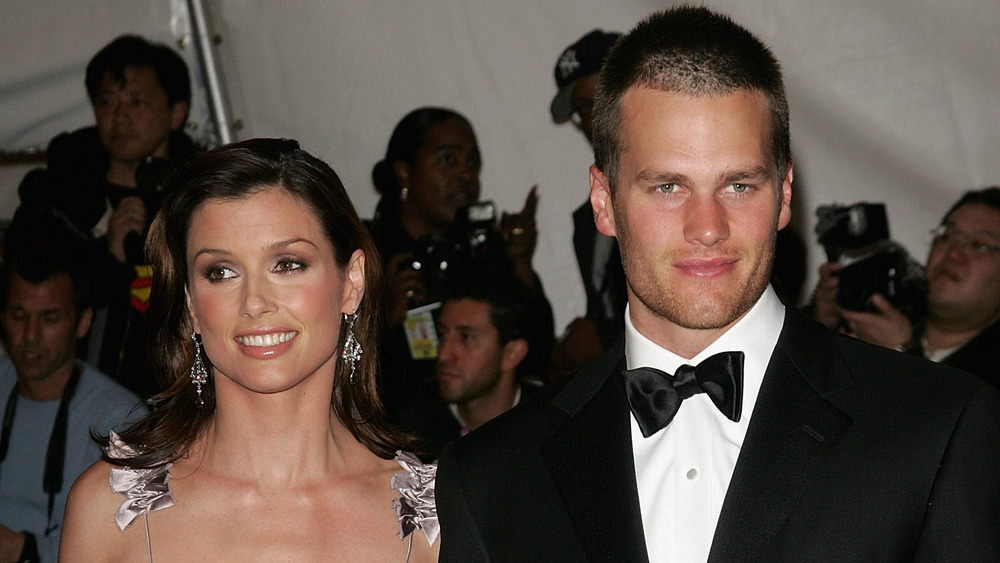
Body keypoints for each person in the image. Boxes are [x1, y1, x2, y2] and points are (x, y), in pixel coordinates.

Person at [436, 7, 1000, 561]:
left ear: (783, 194)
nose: (708, 228)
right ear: (604, 201)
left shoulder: (936, 429)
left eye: (738, 185)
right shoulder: (491, 476)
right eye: (667, 187)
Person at [60, 139, 438, 562]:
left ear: (351, 283)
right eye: (221, 272)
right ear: (191, 304)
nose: (254, 302)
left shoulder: (432, 519)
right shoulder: (109, 509)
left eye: (288, 264)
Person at [11, 34, 200, 400]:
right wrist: (107, 256)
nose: (120, 116)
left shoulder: (197, 200)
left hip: (172, 403)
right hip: (75, 405)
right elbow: (25, 295)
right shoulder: (54, 200)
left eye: (137, 102)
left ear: (176, 114)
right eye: (107, 101)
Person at [367, 107, 554, 415]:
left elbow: (536, 353)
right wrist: (381, 318)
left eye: (473, 162)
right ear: (404, 172)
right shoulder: (368, 254)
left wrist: (519, 262)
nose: (465, 175)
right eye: (448, 160)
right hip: (398, 433)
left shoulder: (479, 247)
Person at [0, 246, 144, 563]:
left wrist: (24, 550)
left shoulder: (125, 421)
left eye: (50, 319)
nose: (30, 336)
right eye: (18, 316)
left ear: (82, 322)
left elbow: (141, 541)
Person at [814, 186, 1000, 387]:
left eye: (979, 245)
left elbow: (957, 415)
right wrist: (819, 326)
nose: (953, 253)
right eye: (946, 236)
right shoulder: (887, 307)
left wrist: (901, 354)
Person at [548, 29, 628, 383]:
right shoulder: (588, 217)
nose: (591, 121)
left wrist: (604, 341)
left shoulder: (690, 184)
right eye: (582, 110)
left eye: (600, 101)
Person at [393, 271, 537, 460]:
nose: (444, 354)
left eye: (466, 337)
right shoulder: (410, 435)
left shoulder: (546, 428)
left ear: (511, 353)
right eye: (442, 334)